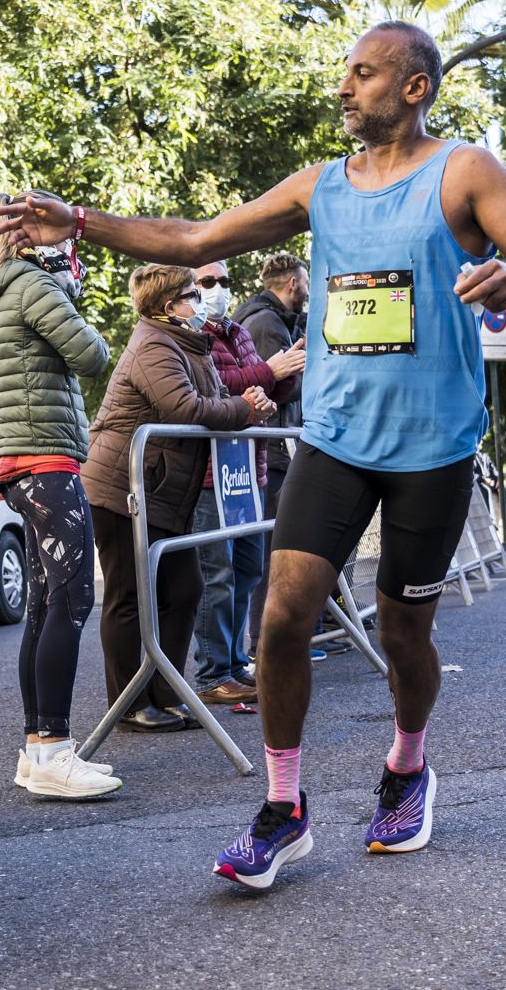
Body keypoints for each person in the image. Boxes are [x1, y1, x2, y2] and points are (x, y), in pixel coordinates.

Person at [0, 20, 506, 886]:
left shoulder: (466, 172)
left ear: (414, 87)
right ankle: (283, 809)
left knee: (407, 633)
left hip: (433, 448)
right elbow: (194, 240)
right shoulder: (321, 187)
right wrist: (77, 219)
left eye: (365, 74)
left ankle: (408, 768)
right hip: (334, 440)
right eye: (345, 73)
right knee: (281, 616)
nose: (345, 88)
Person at [0, 194, 121, 799]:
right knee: (73, 598)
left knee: (42, 602)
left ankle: (38, 750)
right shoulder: (34, 286)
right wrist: (65, 296)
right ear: (31, 241)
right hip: (47, 459)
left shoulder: (2, 293)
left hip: (20, 463)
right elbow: (92, 354)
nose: (66, 247)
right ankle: (54, 749)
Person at [84, 264, 274, 733]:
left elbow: (217, 400)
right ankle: (128, 703)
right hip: (120, 489)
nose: (202, 300)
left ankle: (167, 692)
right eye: (194, 293)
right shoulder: (153, 343)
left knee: (184, 589)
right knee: (128, 597)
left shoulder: (189, 343)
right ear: (169, 307)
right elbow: (186, 409)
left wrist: (252, 405)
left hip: (160, 491)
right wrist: (243, 409)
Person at [191, 258, 303, 706]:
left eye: (224, 281)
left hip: (249, 470)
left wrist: (283, 377)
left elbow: (264, 385)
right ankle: (213, 671)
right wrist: (268, 374)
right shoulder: (192, 335)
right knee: (216, 573)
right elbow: (213, 385)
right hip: (209, 474)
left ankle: (236, 663)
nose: (218, 288)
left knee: (248, 569)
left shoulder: (236, 332)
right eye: (207, 281)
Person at [229, 252, 310, 663]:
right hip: (272, 450)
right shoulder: (265, 323)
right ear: (293, 283)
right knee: (268, 556)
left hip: (275, 449)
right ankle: (264, 648)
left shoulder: (273, 320)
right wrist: (308, 371)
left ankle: (268, 646)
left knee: (269, 554)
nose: (309, 290)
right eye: (307, 282)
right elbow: (273, 389)